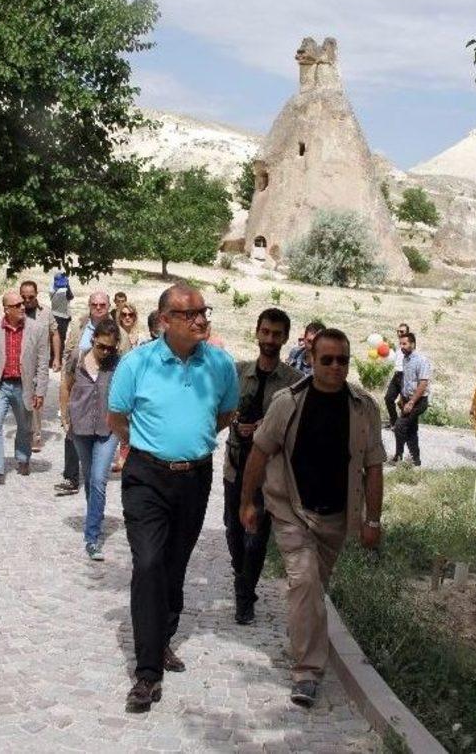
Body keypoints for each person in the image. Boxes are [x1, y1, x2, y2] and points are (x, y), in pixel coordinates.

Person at [108, 283, 239, 714]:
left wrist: (190, 445)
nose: (202, 319)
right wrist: (151, 447)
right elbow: (116, 417)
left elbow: (225, 414)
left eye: (205, 311)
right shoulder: (138, 363)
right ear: (166, 320)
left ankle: (162, 638)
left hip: (195, 478)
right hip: (146, 476)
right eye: (191, 314)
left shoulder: (220, 363)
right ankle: (147, 674)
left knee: (175, 563)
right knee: (148, 563)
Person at [239, 327, 385, 708]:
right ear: (313, 360)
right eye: (328, 360)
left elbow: (374, 466)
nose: (336, 367)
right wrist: (247, 502)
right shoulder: (288, 403)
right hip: (291, 508)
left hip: (337, 515)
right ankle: (307, 671)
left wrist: (373, 520)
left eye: (343, 360)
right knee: (304, 582)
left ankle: (309, 644)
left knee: (315, 587)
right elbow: (258, 453)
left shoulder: (364, 407)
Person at [224, 308, 302, 625]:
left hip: (268, 473)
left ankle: (244, 598)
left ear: (284, 338)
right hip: (235, 466)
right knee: (234, 531)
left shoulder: (294, 383)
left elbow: (296, 429)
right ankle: (243, 580)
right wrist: (235, 422)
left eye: (277, 334)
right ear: (257, 333)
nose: (270, 339)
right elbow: (221, 410)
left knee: (255, 537)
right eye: (265, 332)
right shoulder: (238, 373)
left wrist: (265, 431)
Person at [60, 319, 121, 560]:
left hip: (108, 430)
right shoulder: (77, 357)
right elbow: (66, 386)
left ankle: (92, 537)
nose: (106, 352)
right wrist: (64, 416)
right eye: (102, 346)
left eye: (111, 348)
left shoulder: (119, 364)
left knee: (98, 480)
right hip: (81, 427)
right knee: (89, 477)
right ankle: (95, 514)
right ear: (94, 339)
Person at [0, 291, 49, 490]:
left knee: (25, 427)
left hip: (24, 385)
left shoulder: (37, 329)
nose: (22, 307)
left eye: (23, 303)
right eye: (17, 305)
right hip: (0, 385)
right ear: (6, 309)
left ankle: (23, 457)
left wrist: (40, 391)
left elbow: (43, 363)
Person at [55, 291, 113, 497]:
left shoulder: (116, 331)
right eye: (94, 304)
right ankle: (71, 477)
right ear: (89, 305)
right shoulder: (80, 327)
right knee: (72, 431)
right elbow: (68, 356)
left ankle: (94, 476)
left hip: (103, 392)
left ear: (108, 306)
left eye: (102, 304)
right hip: (79, 388)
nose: (98, 307)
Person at [20, 280, 61, 452]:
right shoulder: (16, 311)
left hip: (40, 362)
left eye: (30, 296)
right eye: (24, 297)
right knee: (21, 398)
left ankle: (36, 435)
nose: (27, 300)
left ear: (36, 295)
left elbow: (55, 334)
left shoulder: (46, 313)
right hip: (20, 362)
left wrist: (57, 357)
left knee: (37, 399)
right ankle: (24, 433)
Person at [390, 332, 432, 467]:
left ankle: (398, 457)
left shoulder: (421, 360)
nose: (401, 346)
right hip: (407, 400)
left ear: (412, 344)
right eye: (400, 344)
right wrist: (402, 398)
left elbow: (423, 383)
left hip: (419, 401)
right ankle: (416, 461)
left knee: (399, 426)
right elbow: (407, 382)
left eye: (404, 344)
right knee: (411, 430)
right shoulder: (405, 359)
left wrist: (412, 402)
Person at [383, 322, 409, 429]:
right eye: (397, 331)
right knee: (388, 398)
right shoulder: (399, 345)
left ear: (407, 333)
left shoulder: (409, 345)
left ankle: (404, 425)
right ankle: (394, 422)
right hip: (397, 375)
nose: (399, 333)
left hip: (405, 375)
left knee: (404, 403)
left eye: (402, 331)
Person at [49, 272, 74, 356]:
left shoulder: (52, 290)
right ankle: (58, 357)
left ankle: (53, 356)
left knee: (54, 337)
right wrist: (68, 285)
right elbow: (71, 296)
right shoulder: (63, 291)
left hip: (55, 315)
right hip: (62, 317)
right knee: (61, 338)